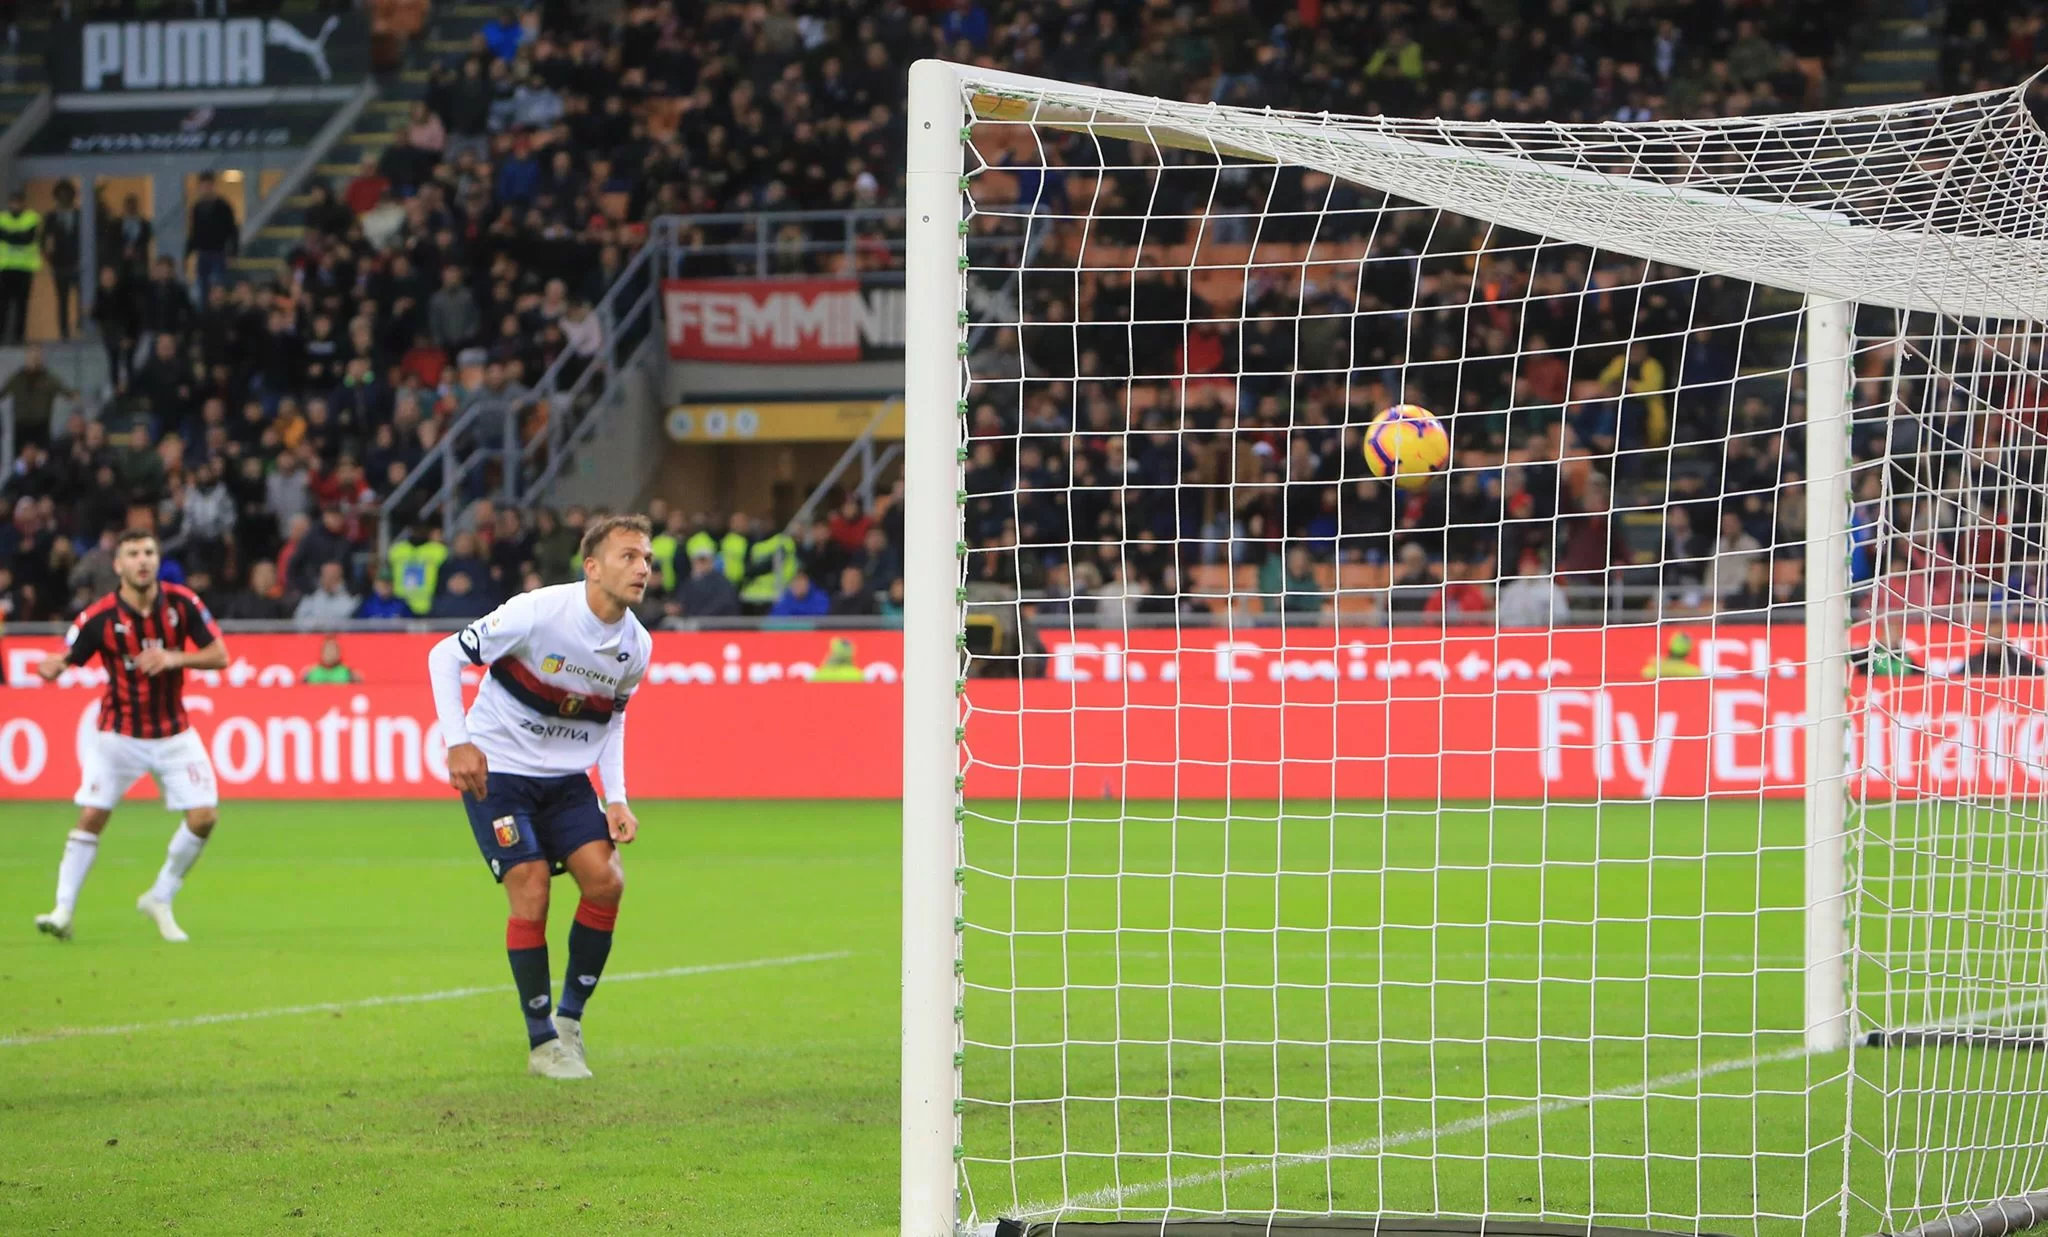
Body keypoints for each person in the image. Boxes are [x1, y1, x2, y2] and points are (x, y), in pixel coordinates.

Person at [426, 513, 653, 1080]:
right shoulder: (537, 612)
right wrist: (459, 743)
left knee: (607, 881)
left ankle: (569, 1021)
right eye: (628, 556)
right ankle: (541, 1042)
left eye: (647, 559)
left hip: (568, 782)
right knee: (530, 887)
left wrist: (616, 796)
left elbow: (613, 720)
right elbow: (444, 656)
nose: (642, 568)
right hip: (499, 772)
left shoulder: (637, 646)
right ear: (592, 566)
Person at [33, 530, 229, 943]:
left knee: (204, 817)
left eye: (149, 552)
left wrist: (174, 657)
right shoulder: (99, 617)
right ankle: (62, 911)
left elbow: (220, 655)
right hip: (118, 735)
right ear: (118, 565)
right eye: (134, 554)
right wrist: (54, 666)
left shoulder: (182, 603)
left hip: (173, 733)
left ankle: (161, 895)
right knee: (92, 815)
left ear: (158, 560)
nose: (143, 560)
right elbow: (67, 655)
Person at [186, 172, 238, 305]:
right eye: (203, 186)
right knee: (203, 287)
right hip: (203, 252)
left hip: (218, 252)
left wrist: (232, 252)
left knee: (218, 286)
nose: (206, 189)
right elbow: (194, 232)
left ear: (213, 186)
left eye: (208, 185)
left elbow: (233, 230)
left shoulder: (223, 206)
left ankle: (219, 311)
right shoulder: (197, 207)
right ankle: (205, 313)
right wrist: (187, 253)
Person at [0, 189, 42, 344]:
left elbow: (27, 239)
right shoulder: (2, 218)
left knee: (21, 305)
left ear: (23, 203)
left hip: (25, 268)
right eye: (13, 202)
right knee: (3, 304)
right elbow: (18, 237)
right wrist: (18, 235)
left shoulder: (32, 218)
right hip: (5, 268)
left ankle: (18, 337)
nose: (15, 205)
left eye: (18, 202)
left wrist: (9, 235)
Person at [44, 181, 82, 340]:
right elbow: (44, 241)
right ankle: (64, 333)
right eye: (61, 195)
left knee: (82, 297)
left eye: (67, 195)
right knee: (62, 300)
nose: (64, 198)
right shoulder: (51, 217)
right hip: (60, 265)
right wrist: (50, 261)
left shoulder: (81, 215)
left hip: (79, 265)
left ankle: (81, 328)